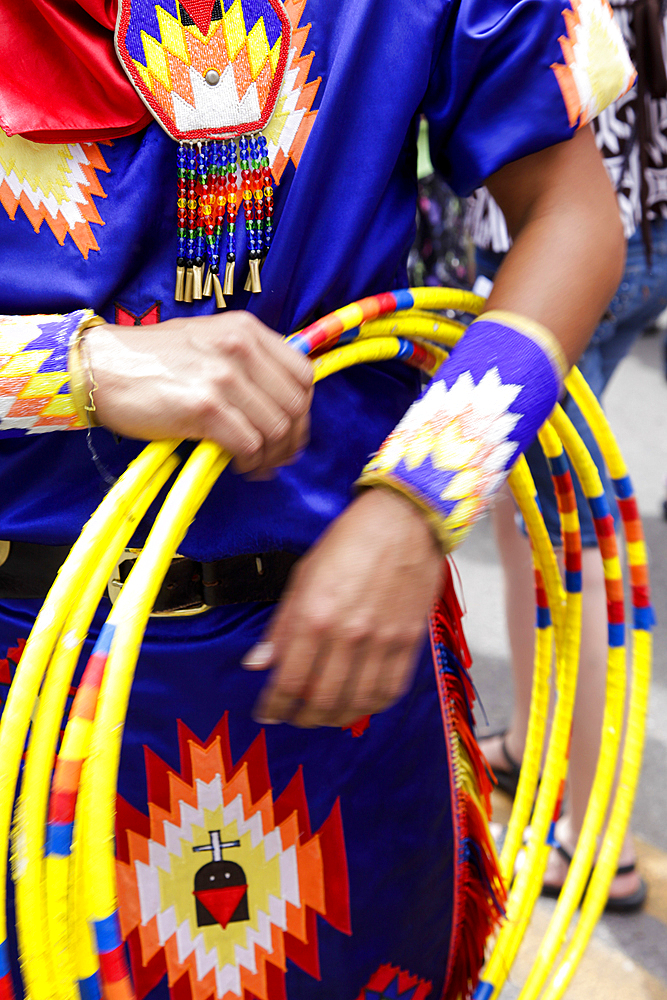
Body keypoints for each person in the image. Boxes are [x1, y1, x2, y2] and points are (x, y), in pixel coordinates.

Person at [0, 1, 632, 997]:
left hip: (341, 659)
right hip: (23, 673)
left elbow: (573, 215)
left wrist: (423, 496)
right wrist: (75, 367)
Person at [469, 0, 667, 913]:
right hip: (649, 223)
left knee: (557, 548)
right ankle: (540, 752)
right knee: (550, 530)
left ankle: (589, 834)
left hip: (562, 241)